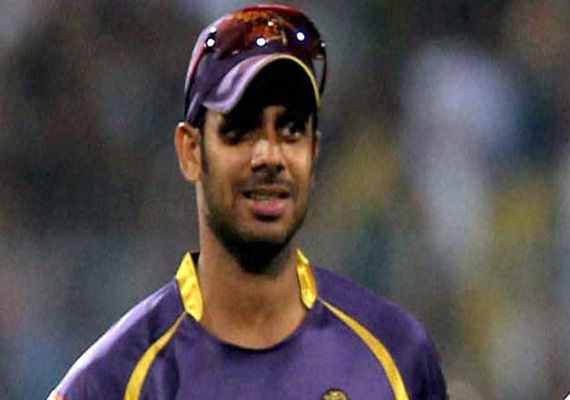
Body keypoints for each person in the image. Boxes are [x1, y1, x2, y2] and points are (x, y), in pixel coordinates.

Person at [48, 5, 447, 400]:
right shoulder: (112, 382)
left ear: (314, 153)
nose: (269, 156)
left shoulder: (398, 355)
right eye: (241, 131)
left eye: (291, 130)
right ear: (190, 151)